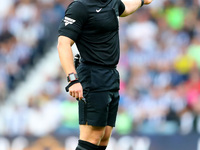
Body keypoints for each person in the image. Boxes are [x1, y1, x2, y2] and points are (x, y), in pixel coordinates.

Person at [57, 0, 152, 149]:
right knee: (91, 138)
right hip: (92, 75)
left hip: (111, 75)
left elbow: (125, 8)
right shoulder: (80, 6)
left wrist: (141, 1)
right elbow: (63, 43)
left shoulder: (112, 2)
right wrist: (73, 79)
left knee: (104, 137)